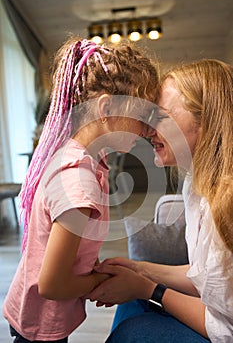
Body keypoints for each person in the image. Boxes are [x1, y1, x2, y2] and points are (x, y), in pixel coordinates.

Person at [2, 36, 160, 342]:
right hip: (41, 324)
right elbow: (52, 284)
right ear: (105, 108)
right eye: (141, 115)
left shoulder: (80, 158)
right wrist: (101, 280)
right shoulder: (78, 181)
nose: (146, 129)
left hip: (34, 311)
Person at [87, 59, 233, 342]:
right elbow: (208, 277)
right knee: (128, 299)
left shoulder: (225, 203)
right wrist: (139, 269)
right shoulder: (196, 185)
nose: (147, 130)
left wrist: (149, 289)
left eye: (160, 117)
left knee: (133, 331)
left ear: (207, 121)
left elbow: (226, 327)